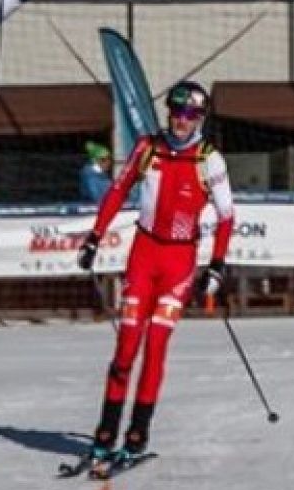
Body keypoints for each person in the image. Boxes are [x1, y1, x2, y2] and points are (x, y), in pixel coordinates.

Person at [73, 80, 236, 468]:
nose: (182, 121)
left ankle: (137, 432)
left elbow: (227, 216)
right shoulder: (148, 148)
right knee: (126, 347)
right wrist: (94, 238)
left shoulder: (208, 158)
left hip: (179, 262)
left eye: (192, 115)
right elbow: (117, 191)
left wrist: (216, 265)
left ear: (200, 119)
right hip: (144, 257)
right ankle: (106, 432)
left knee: (156, 346)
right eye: (177, 112)